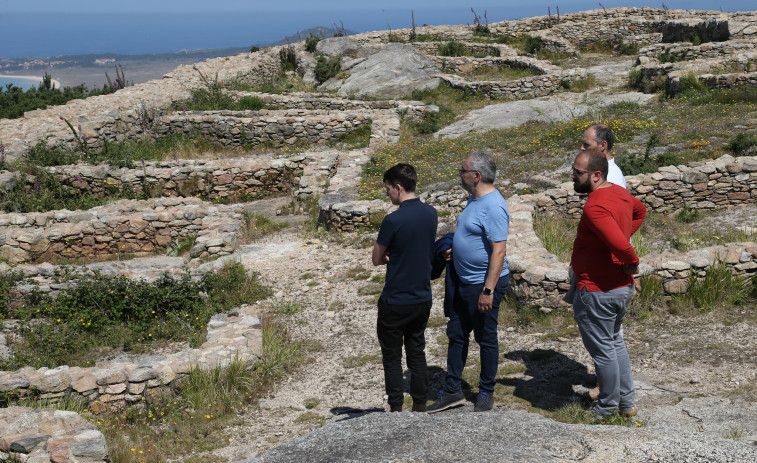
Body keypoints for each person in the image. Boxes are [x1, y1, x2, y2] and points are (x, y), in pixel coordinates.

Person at [427, 151, 510, 413]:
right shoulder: (475, 199)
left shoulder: (494, 206)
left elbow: (499, 250)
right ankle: (452, 391)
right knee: (456, 334)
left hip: (481, 284)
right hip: (464, 281)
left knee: (486, 338)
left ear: (476, 175)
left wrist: (488, 290)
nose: (459, 175)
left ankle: (486, 392)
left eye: (462, 171)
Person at [569, 148, 646, 417]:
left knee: (604, 352)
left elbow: (617, 242)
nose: (573, 176)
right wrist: (623, 241)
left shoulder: (595, 206)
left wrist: (630, 258)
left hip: (598, 289)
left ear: (596, 174)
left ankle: (607, 409)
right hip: (617, 287)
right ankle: (626, 404)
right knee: (614, 345)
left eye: (578, 173)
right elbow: (640, 211)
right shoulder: (618, 192)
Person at [372, 163, 438, 413]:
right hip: (421, 297)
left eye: (388, 189)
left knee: (392, 358)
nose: (387, 194)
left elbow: (377, 259)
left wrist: (388, 252)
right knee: (417, 353)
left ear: (398, 187)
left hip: (395, 299)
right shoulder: (431, 213)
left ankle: (396, 408)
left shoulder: (392, 220)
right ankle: (419, 405)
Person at [581, 124, 626, 189]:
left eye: (586, 144)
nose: (582, 148)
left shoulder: (611, 178)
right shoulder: (603, 171)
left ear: (602, 145)